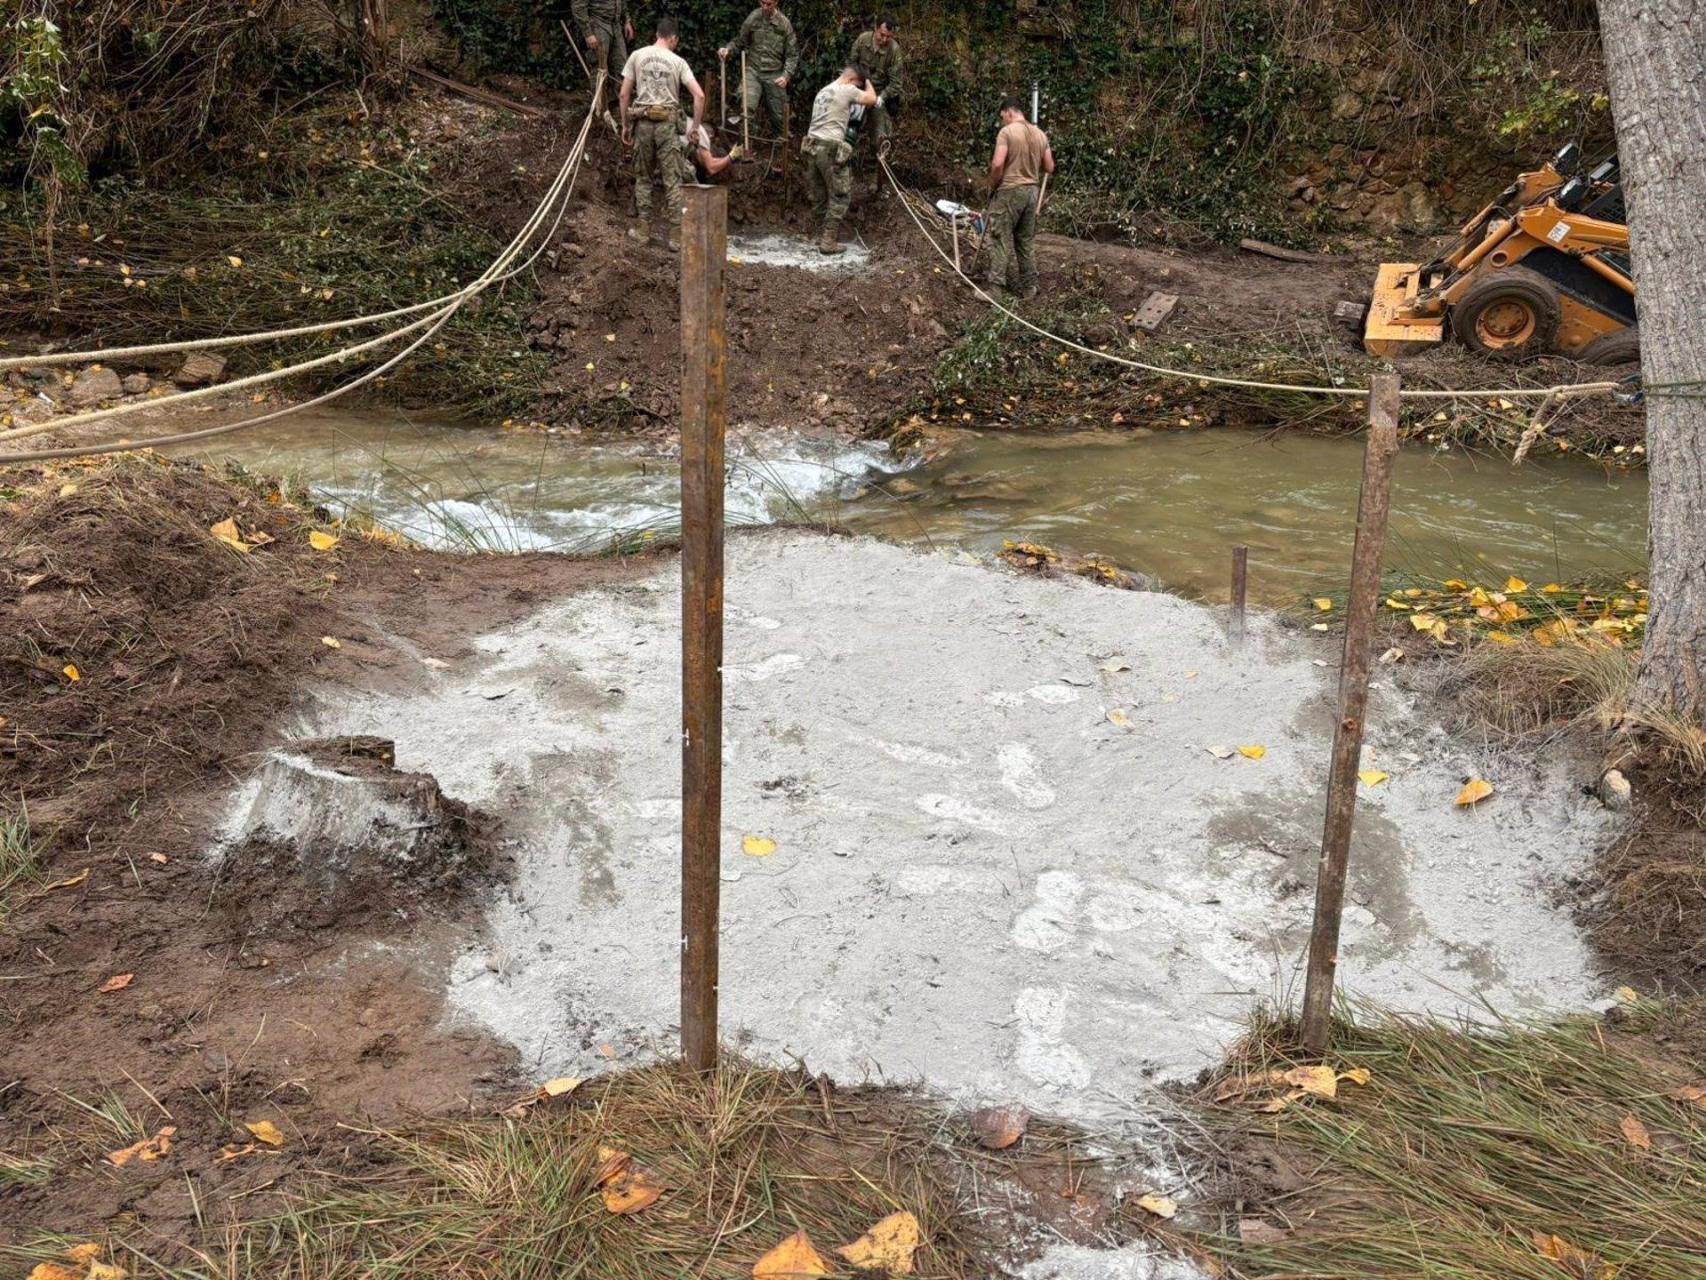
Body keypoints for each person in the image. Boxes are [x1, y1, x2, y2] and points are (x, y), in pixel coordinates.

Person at [619, 18, 705, 253]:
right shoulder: (678, 61)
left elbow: (624, 95)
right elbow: (699, 96)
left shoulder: (637, 55)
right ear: (673, 38)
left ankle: (643, 231)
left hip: (643, 124)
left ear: (657, 34)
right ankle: (676, 237)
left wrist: (625, 126)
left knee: (644, 178)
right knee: (673, 181)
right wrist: (694, 128)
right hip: (667, 125)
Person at [984, 98, 1054, 300]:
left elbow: (998, 164)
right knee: (1025, 241)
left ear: (1008, 112)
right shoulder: (1040, 134)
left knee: (999, 238)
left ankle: (995, 291)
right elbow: (1049, 167)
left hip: (1011, 191)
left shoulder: (1007, 132)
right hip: (1032, 193)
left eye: (1002, 117)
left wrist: (993, 184)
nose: (1002, 121)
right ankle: (1029, 288)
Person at [803, 68, 877, 255]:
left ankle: (818, 235)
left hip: (812, 146)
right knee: (840, 195)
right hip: (830, 147)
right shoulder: (846, 89)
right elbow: (871, 99)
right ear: (852, 79)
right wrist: (867, 81)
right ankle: (828, 241)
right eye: (857, 85)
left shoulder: (823, 91)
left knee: (820, 195)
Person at [718, 0, 799, 139]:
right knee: (746, 108)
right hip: (753, 71)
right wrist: (728, 49)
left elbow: (793, 55)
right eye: (762, 3)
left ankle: (780, 150)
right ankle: (743, 146)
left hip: (775, 74)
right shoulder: (753, 17)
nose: (765, 7)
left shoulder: (784, 24)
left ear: (776, 3)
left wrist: (786, 75)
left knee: (780, 119)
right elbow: (739, 41)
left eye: (769, 4)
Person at [848, 15, 903, 159]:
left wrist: (882, 97)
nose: (884, 40)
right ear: (875, 28)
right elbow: (851, 66)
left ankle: (877, 167)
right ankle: (845, 159)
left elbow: (896, 83)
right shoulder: (862, 40)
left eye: (888, 37)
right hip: (859, 90)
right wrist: (854, 89)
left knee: (881, 135)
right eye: (882, 35)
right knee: (850, 126)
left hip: (878, 95)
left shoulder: (894, 51)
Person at [570, 0, 633, 104]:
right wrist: (588, 33)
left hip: (616, 25)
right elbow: (578, 6)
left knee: (621, 66)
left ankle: (619, 105)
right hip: (598, 24)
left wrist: (627, 20)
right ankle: (599, 106)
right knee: (600, 68)